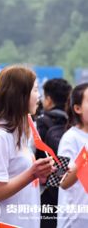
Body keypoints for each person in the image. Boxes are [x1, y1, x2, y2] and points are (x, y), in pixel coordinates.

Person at [0, 66, 56, 228]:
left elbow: (17, 177)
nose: (39, 96)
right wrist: (32, 174)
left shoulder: (19, 133)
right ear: (20, 96)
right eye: (35, 90)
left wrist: (42, 175)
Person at [36, 78, 72, 228]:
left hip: (46, 190)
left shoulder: (42, 122)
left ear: (49, 100)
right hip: (70, 185)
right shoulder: (73, 123)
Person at [58, 84, 88, 228]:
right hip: (75, 221)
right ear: (78, 109)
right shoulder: (69, 138)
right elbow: (61, 180)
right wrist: (85, 155)